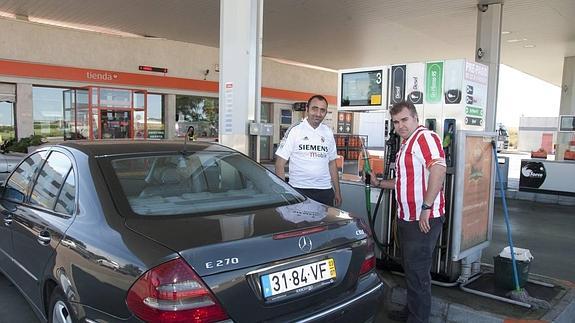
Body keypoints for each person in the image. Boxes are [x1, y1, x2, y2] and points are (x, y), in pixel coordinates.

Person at [373, 101, 446, 323]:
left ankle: (418, 318)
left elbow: (438, 168)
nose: (400, 125)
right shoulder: (407, 143)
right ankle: (412, 311)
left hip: (422, 219)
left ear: (415, 117)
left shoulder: (425, 137)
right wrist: (380, 183)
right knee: (411, 270)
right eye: (396, 122)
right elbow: (403, 182)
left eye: (404, 120)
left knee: (417, 273)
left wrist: (426, 207)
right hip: (407, 217)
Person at [275, 95, 342, 207]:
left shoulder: (328, 132)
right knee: (301, 224)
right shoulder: (295, 130)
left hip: (325, 191)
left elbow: (332, 163)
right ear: (307, 109)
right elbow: (279, 164)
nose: (318, 114)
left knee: (324, 224)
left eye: (322, 110)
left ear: (326, 113)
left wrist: (338, 192)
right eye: (314, 108)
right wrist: (284, 192)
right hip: (299, 190)